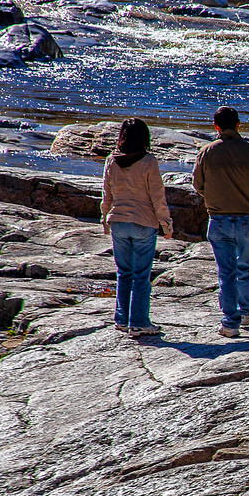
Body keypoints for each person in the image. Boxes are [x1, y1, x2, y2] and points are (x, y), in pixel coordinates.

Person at [192, 106, 249, 337]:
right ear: (239, 124)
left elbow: (198, 186)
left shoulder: (206, 152)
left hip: (219, 220)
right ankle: (246, 312)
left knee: (226, 272)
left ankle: (230, 323)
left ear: (216, 126)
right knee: (246, 266)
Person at [100, 117, 173, 336]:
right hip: (143, 223)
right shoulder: (148, 161)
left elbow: (107, 194)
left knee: (124, 274)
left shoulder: (111, 160)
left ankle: (122, 319)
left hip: (119, 222)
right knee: (141, 276)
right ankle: (139, 322)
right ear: (145, 137)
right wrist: (166, 224)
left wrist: (104, 219)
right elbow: (157, 197)